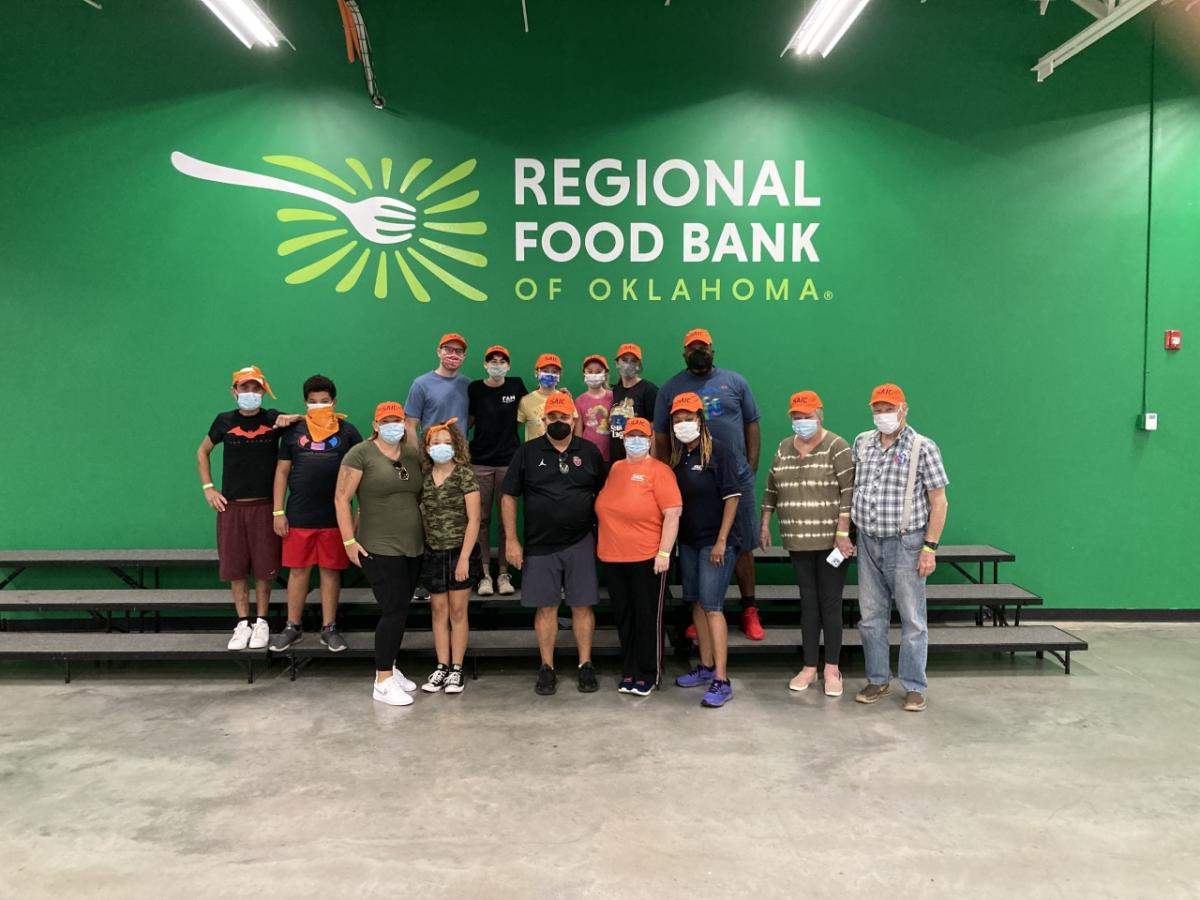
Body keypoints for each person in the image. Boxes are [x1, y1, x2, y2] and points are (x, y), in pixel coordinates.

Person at [653, 328, 765, 640]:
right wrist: (666, 476)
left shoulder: (736, 382)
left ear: (712, 350)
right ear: (684, 353)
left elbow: (751, 425)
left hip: (735, 476)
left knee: (742, 544)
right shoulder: (671, 388)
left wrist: (749, 469)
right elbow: (661, 436)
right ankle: (698, 614)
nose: (698, 352)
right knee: (693, 542)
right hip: (690, 478)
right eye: (692, 348)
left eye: (703, 347)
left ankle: (749, 609)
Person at [851, 384, 949, 713]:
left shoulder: (924, 447)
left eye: (889, 408)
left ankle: (913, 685)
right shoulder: (862, 443)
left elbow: (939, 501)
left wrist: (929, 548)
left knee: (912, 618)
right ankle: (878, 678)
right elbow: (855, 490)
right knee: (870, 617)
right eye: (877, 409)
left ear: (903, 409)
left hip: (906, 542)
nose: (883, 415)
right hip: (867, 540)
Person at [501, 391, 607, 696]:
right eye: (553, 417)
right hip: (539, 544)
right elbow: (508, 496)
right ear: (543, 419)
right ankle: (546, 667)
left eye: (564, 417)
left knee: (582, 606)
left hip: (581, 542)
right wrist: (511, 540)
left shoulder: (588, 452)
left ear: (574, 419)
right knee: (546, 608)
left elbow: (604, 496)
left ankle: (585, 664)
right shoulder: (527, 452)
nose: (558, 421)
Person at [759, 391, 855, 698]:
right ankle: (809, 667)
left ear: (819, 415)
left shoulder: (837, 446)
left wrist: (843, 531)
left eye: (807, 416)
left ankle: (832, 668)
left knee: (830, 604)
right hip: (797, 540)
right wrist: (765, 522)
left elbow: (849, 491)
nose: (801, 422)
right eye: (796, 417)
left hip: (831, 543)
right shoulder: (784, 447)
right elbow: (771, 487)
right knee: (808, 604)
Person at [197, 365, 295, 651]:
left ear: (263, 391)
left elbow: (307, 419)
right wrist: (208, 488)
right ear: (234, 391)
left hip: (265, 508)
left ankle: (262, 621)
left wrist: (295, 417)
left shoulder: (273, 419)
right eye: (244, 388)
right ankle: (242, 623)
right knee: (236, 569)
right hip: (232, 509)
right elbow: (202, 451)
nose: (250, 393)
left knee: (264, 569)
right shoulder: (223, 421)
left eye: (256, 388)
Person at [335, 402, 424, 706]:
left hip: (413, 546)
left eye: (397, 420)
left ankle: (392, 666)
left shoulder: (411, 454)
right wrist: (348, 541)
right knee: (393, 609)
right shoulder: (360, 453)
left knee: (402, 608)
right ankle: (382, 680)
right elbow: (342, 498)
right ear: (375, 424)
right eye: (385, 421)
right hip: (378, 546)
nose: (392, 425)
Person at [268, 375, 362, 654]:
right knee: (298, 572)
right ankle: (292, 627)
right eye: (313, 402)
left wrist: (358, 515)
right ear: (305, 403)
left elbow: (360, 475)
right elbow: (281, 473)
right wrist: (278, 511)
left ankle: (329, 628)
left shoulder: (348, 432)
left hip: (335, 518)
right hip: (299, 516)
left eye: (324, 401)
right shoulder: (293, 432)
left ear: (334, 402)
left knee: (331, 573)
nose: (318, 406)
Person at [594, 417, 681, 696]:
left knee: (647, 618)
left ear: (650, 440)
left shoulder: (660, 471)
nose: (635, 440)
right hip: (613, 558)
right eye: (630, 435)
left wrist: (664, 552)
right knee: (625, 617)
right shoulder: (617, 468)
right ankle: (630, 669)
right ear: (623, 439)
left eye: (641, 436)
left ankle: (648, 672)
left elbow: (672, 514)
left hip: (647, 558)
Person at [669, 393, 741, 709]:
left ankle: (721, 680)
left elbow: (733, 498)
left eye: (689, 418)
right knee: (697, 604)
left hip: (716, 542)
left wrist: (722, 541)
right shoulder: (678, 457)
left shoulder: (719, 453)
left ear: (701, 419)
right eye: (677, 419)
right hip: (688, 541)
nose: (683, 424)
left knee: (713, 607)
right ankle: (706, 665)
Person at [418, 419, 483, 694]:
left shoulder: (465, 475)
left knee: (458, 611)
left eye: (446, 442)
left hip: (460, 553)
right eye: (435, 443)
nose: (441, 447)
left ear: (455, 445)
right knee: (438, 611)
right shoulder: (424, 477)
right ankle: (441, 666)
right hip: (434, 553)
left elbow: (474, 519)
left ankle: (457, 668)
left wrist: (465, 558)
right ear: (427, 447)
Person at [467, 344, 525, 597]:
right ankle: (484, 575)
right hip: (479, 461)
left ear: (509, 366)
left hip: (508, 462)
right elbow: (467, 421)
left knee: (506, 521)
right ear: (485, 364)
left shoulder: (516, 385)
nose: (497, 364)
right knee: (479, 520)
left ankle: (503, 573)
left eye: (502, 360)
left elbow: (536, 406)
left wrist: (561, 394)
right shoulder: (475, 389)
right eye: (493, 360)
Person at [405, 333, 470, 446]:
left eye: (458, 351)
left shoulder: (468, 385)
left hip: (460, 454)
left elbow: (469, 420)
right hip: (431, 452)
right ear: (439, 352)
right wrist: (417, 458)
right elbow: (409, 425)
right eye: (448, 350)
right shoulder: (421, 384)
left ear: (464, 356)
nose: (453, 354)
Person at [608, 342, 658, 463]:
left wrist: (654, 459)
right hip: (616, 458)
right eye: (624, 360)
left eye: (633, 361)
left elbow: (655, 428)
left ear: (638, 364)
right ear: (617, 363)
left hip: (639, 457)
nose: (628, 364)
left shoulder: (649, 390)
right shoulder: (614, 391)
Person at [517, 352, 564, 441]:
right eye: (545, 371)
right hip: (533, 452)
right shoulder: (526, 400)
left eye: (554, 372)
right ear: (536, 372)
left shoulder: (565, 399)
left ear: (560, 375)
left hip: (558, 452)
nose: (550, 375)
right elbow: (512, 429)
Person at [574, 354, 613, 461]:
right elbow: (578, 433)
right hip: (588, 455)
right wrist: (578, 453)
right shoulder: (579, 400)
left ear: (605, 374)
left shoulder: (613, 396)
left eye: (598, 371)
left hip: (611, 455)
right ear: (584, 374)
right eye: (590, 372)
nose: (594, 375)